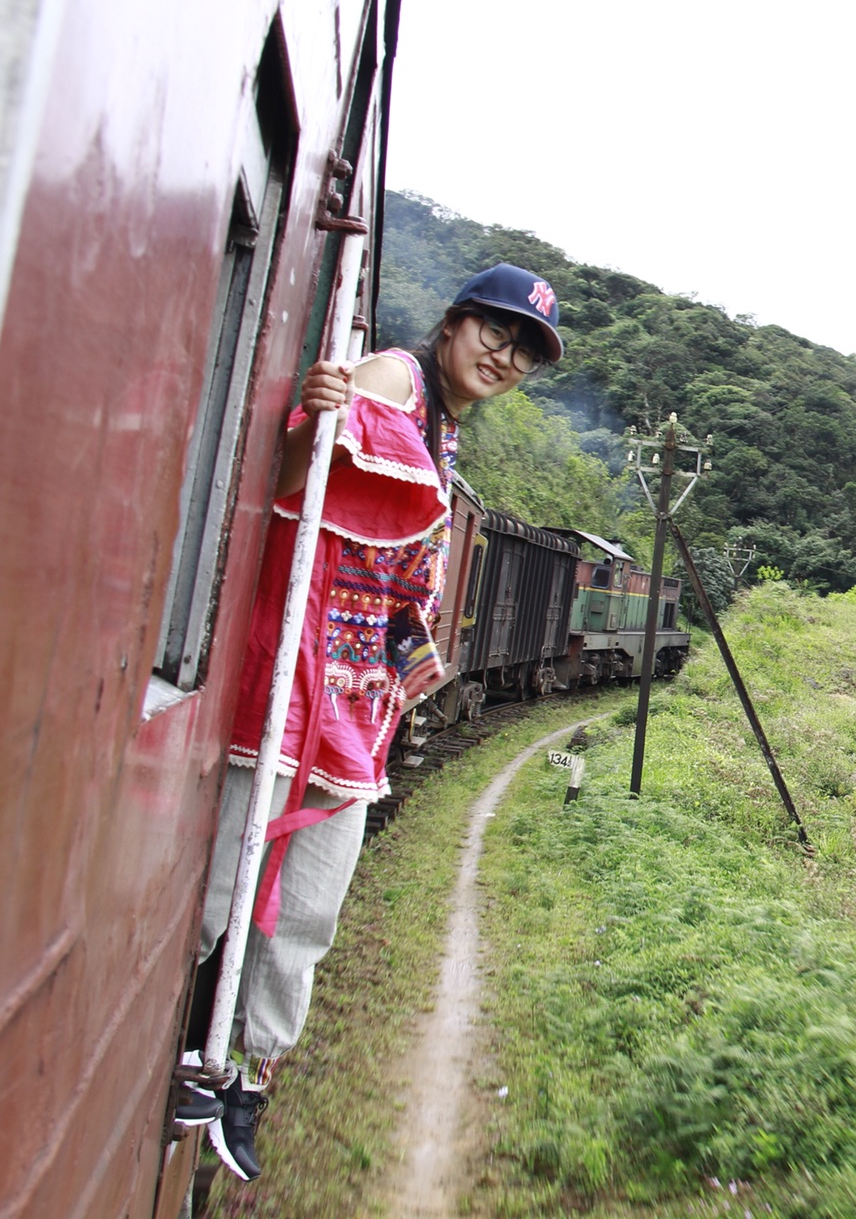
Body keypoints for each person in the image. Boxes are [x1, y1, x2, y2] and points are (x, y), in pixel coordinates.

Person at [183, 263, 563, 1181]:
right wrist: (326, 413)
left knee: (308, 906)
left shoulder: (449, 430)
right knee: (226, 881)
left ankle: (248, 1078)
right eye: (495, 333)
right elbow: (306, 458)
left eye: (523, 351)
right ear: (453, 323)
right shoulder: (399, 376)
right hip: (299, 668)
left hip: (356, 705)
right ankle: (183, 1047)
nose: (504, 357)